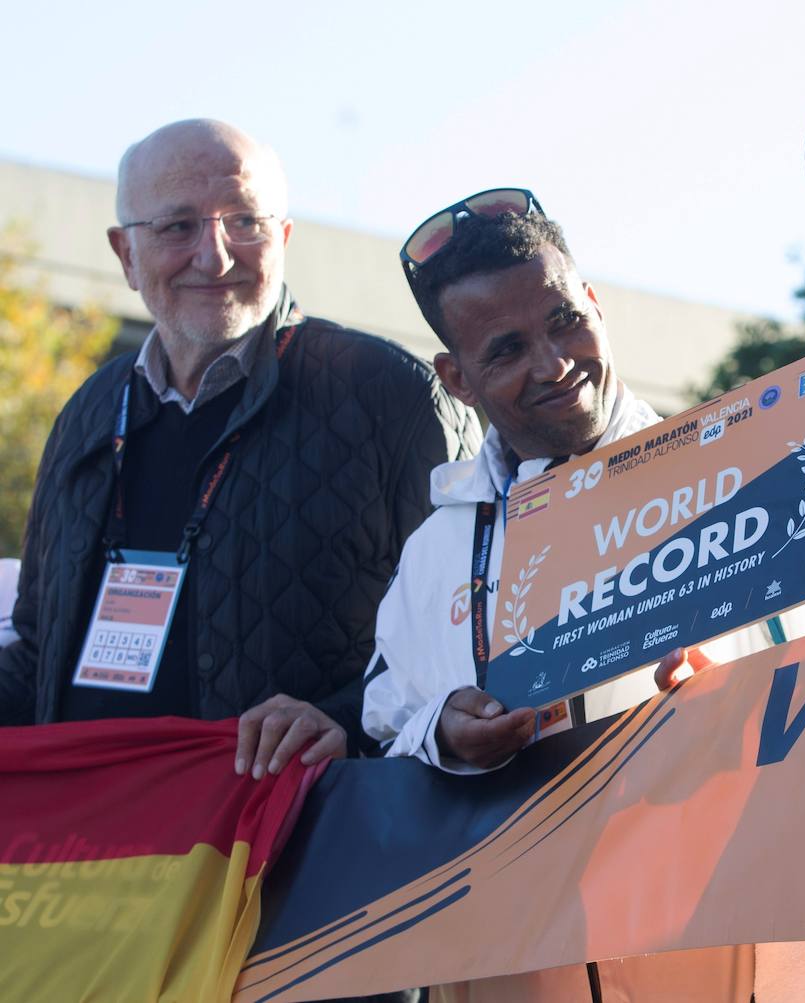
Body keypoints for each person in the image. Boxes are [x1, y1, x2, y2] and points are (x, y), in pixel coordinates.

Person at [362, 191, 805, 1001]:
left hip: (709, 939)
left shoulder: (749, 469)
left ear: (597, 305)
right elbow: (381, 726)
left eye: (566, 320)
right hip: (503, 957)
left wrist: (731, 700)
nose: (553, 364)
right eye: (506, 350)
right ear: (456, 378)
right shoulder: (435, 550)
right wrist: (442, 731)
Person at [0, 120, 479, 786]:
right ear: (125, 254)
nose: (216, 255)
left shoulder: (392, 397)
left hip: (296, 857)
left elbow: (472, 634)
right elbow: (36, 651)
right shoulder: (87, 412)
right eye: (177, 227)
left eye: (245, 223)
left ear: (283, 238)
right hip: (91, 856)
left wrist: (341, 718)